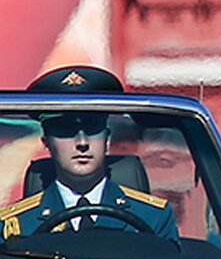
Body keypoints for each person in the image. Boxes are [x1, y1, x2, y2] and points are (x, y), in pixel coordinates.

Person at [0, 66, 178, 241]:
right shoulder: (17, 226)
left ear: (107, 139)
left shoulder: (153, 218)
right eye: (66, 131)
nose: (82, 143)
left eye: (92, 128)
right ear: (47, 144)